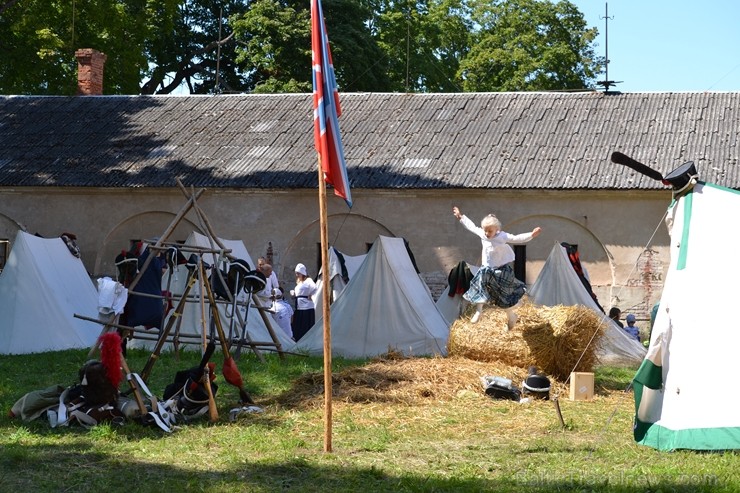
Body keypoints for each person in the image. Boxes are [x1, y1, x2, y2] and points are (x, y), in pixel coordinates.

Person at [452, 206, 542, 329]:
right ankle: (479, 311)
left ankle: (511, 317)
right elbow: (471, 227)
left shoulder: (502, 236)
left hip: (501, 270)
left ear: (497, 229)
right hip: (487, 268)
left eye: (490, 231)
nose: (487, 233)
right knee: (480, 284)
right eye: (485, 230)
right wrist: (461, 217)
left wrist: (531, 234)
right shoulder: (483, 234)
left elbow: (517, 238)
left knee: (504, 295)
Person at [290, 263, 317, 341]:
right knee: (298, 324)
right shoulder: (299, 283)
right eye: (296, 273)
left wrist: (311, 294)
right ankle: (298, 340)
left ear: (302, 273)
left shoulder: (308, 280)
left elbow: (315, 288)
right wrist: (294, 294)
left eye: (298, 273)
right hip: (299, 306)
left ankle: (307, 341)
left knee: (305, 325)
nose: (296, 275)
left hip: (307, 307)